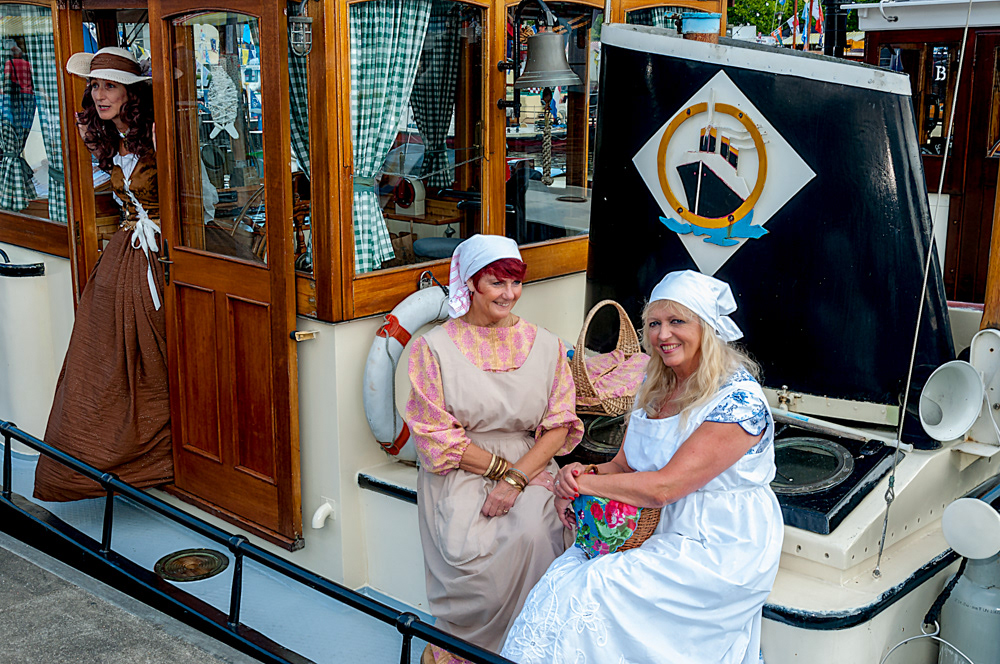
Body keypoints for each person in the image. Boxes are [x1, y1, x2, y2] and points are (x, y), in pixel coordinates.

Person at [502, 270, 784, 664]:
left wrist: (586, 487)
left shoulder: (738, 401)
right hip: (652, 526)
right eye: (654, 324)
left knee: (592, 587)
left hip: (719, 543)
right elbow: (623, 465)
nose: (662, 335)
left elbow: (665, 487)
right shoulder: (656, 387)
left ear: (706, 328)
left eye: (676, 321)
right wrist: (578, 474)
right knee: (562, 577)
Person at [405, 234, 583, 664]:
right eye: (496, 283)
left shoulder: (548, 345)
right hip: (461, 470)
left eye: (516, 283)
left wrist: (518, 478)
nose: (509, 294)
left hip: (530, 464)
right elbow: (435, 435)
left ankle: (524, 653)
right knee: (472, 562)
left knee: (541, 532)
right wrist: (505, 474)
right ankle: (458, 653)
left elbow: (558, 425)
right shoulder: (433, 349)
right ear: (469, 283)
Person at [33, 47, 171, 501]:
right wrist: (96, 148)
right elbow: (111, 188)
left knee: (154, 355)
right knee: (101, 358)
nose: (98, 94)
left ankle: (162, 457)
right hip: (126, 254)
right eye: (95, 86)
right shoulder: (113, 140)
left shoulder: (156, 134)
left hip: (159, 254)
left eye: (110, 86)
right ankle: (96, 459)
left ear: (132, 93)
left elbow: (196, 198)